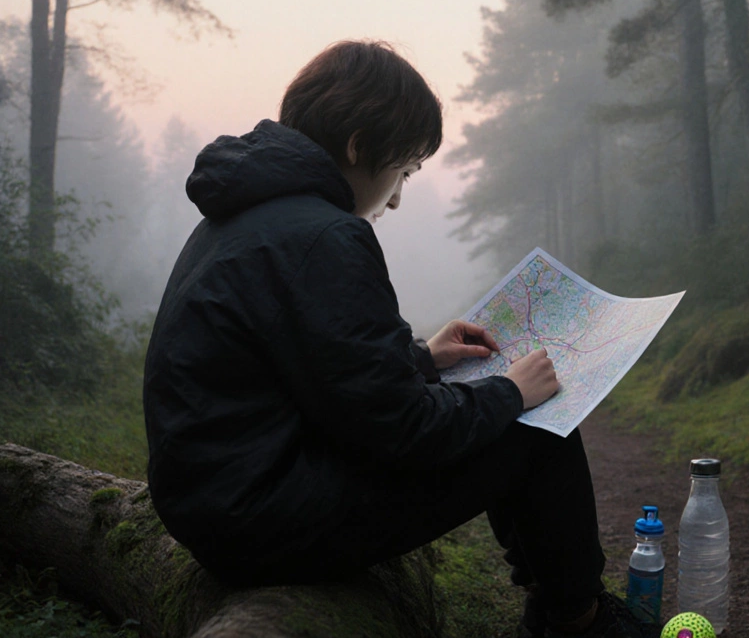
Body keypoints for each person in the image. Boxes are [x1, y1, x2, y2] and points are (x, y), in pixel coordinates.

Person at [143, 40, 655, 638]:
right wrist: (510, 393)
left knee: (510, 415)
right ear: (360, 145)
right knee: (538, 429)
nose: (398, 196)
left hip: (220, 504)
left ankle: (555, 602)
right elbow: (406, 430)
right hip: (263, 521)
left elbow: (317, 370)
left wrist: (421, 359)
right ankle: (579, 620)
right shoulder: (327, 236)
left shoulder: (246, 215)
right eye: (404, 170)